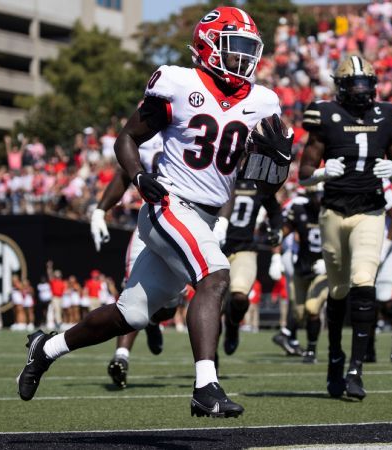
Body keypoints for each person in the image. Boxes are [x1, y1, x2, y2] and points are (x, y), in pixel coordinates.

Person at [17, 6, 291, 418]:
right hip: (169, 204)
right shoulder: (178, 83)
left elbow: (264, 179)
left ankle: (47, 347)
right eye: (234, 48)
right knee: (215, 276)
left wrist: (279, 164)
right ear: (208, 47)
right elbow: (127, 137)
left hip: (209, 216)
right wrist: (139, 176)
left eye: (248, 50)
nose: (243, 59)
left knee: (133, 314)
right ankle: (205, 386)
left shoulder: (263, 101)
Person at [298, 55, 392, 400]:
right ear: (342, 87)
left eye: (366, 85)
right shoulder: (325, 115)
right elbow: (303, 174)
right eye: (355, 85)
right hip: (333, 212)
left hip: (370, 212)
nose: (361, 91)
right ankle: (335, 356)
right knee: (338, 290)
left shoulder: (387, 116)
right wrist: (319, 173)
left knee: (364, 282)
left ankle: (356, 369)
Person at [90, 132, 180, 389]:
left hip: (185, 228)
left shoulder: (195, 126)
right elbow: (123, 174)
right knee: (133, 292)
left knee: (171, 305)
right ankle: (121, 358)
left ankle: (153, 321)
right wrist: (100, 211)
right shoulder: (145, 137)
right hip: (148, 224)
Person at [215, 178, 282, 356]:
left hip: (244, 248)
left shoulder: (259, 183)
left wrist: (278, 231)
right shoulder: (218, 176)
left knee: (240, 297)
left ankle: (233, 324)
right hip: (214, 247)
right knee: (212, 308)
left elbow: (275, 211)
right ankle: (210, 364)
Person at [280, 183, 327, 364]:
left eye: (322, 194)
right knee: (298, 313)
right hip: (302, 268)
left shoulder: (333, 212)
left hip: (324, 270)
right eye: (316, 194)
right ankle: (291, 337)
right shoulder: (299, 210)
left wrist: (330, 263)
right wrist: (274, 241)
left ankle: (311, 350)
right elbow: (284, 230)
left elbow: (343, 243)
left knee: (312, 308)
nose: (320, 198)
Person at [367, 184, 392, 362]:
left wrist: (385, 248)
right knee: (366, 299)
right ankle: (368, 347)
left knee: (385, 300)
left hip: (387, 247)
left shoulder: (378, 184)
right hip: (365, 246)